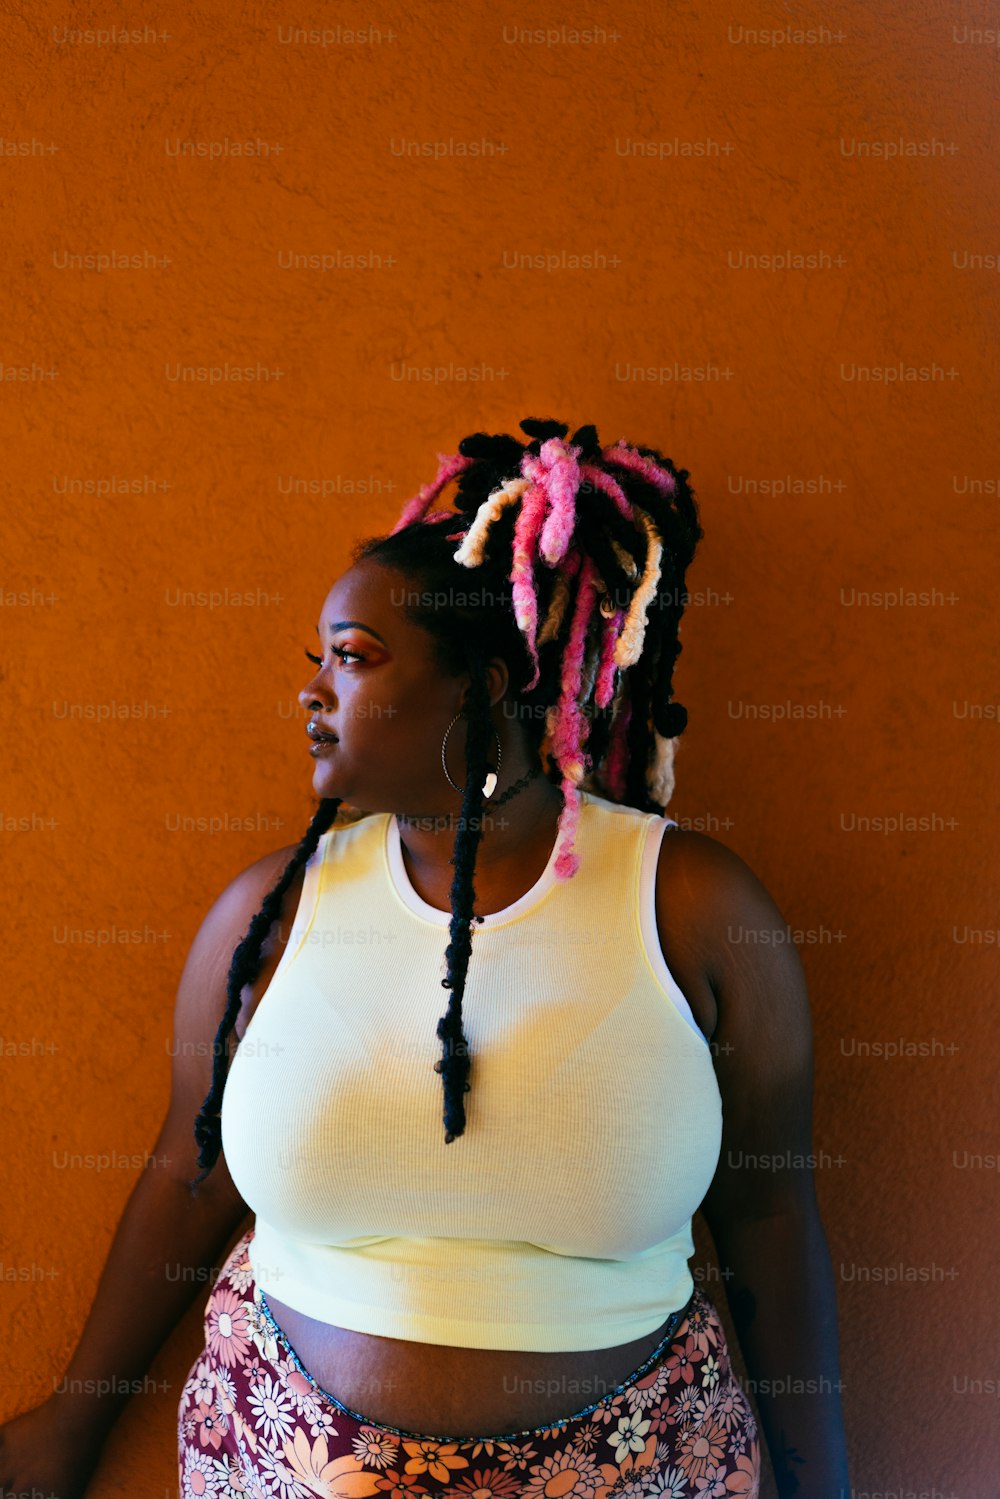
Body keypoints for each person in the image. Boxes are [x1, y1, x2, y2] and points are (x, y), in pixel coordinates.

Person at [0, 418, 849, 1498]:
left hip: (634, 1467)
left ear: (484, 687)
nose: (313, 692)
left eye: (353, 657)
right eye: (317, 661)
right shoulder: (270, 911)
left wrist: (822, 1483)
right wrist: (73, 1424)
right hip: (282, 1460)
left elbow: (769, 1213)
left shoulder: (690, 905)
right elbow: (189, 1168)